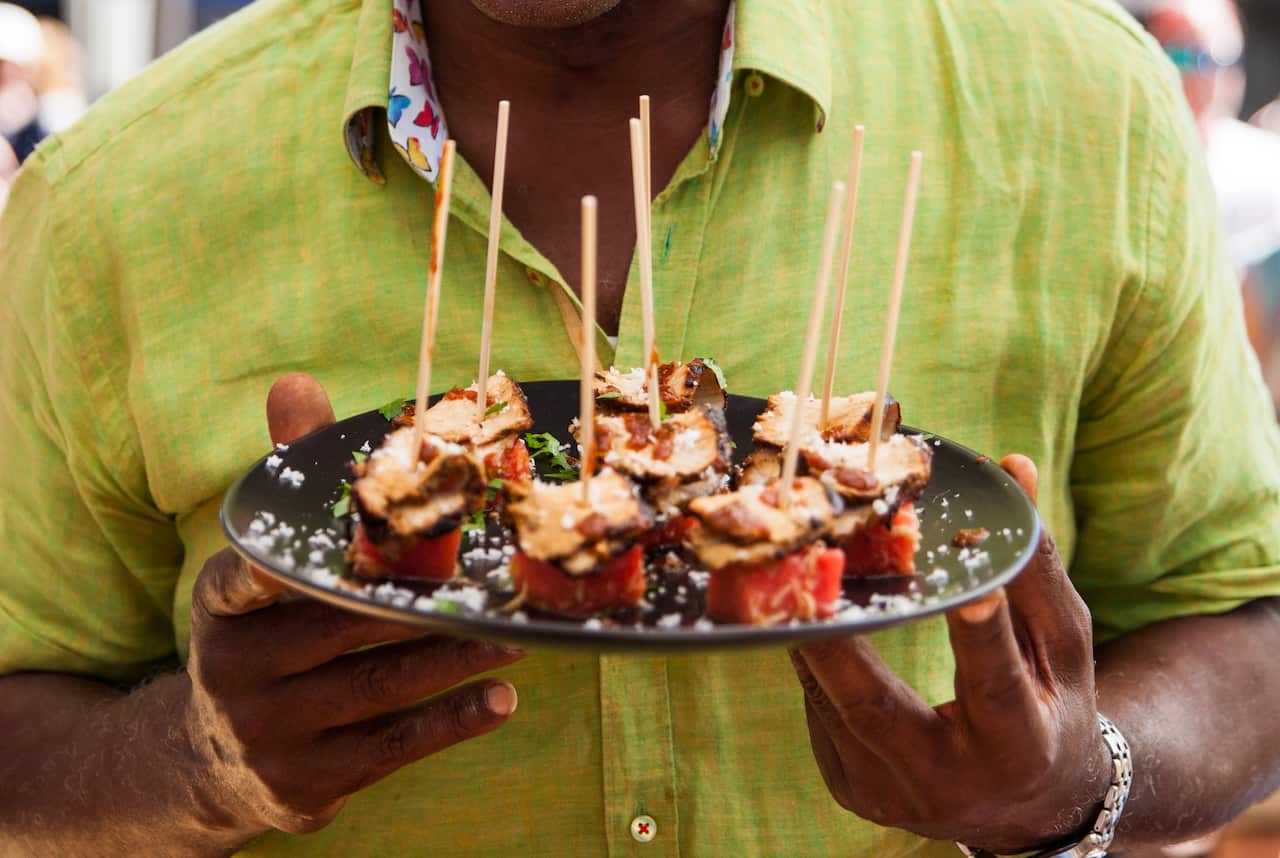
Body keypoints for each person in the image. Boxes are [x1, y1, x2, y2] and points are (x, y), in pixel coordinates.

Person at [2, 1, 1280, 856]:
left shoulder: (1084, 103)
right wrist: (191, 761)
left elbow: (1242, 618)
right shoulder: (109, 195)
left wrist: (1078, 782)